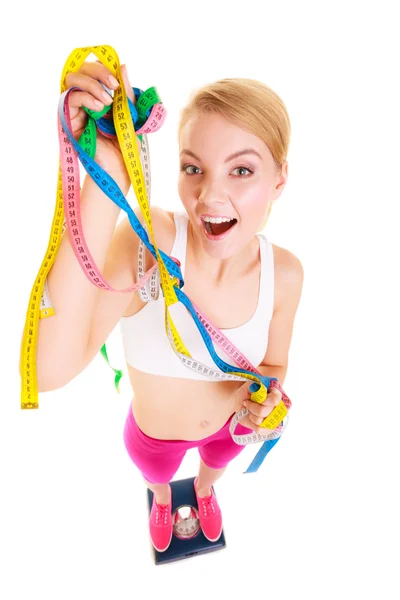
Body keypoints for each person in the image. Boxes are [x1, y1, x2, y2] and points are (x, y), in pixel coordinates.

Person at [31, 61, 304, 553]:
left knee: (212, 470)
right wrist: (107, 171)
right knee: (158, 477)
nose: (209, 195)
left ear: (280, 178)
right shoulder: (151, 244)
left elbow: (274, 364)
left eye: (241, 169)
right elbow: (46, 369)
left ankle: (203, 490)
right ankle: (161, 501)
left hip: (228, 432)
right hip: (152, 438)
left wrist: (266, 403)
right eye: (192, 167)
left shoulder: (285, 274)